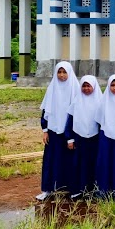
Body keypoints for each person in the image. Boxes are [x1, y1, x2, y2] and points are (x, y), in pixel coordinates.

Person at [38, 61, 80, 200]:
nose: (62, 75)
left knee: (70, 161)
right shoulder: (52, 89)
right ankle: (47, 189)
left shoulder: (75, 89)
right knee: (51, 160)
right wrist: (45, 130)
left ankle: (71, 189)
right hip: (53, 131)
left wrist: (71, 136)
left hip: (69, 133)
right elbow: (45, 112)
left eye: (64, 72)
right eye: (59, 72)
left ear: (69, 73)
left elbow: (77, 114)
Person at [65, 75, 102, 197]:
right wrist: (69, 138)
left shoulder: (100, 102)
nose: (86, 88)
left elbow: (103, 123)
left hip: (95, 139)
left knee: (94, 164)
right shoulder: (76, 101)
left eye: (89, 86)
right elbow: (70, 121)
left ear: (94, 87)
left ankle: (93, 191)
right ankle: (78, 190)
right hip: (79, 138)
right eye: (84, 86)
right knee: (79, 164)